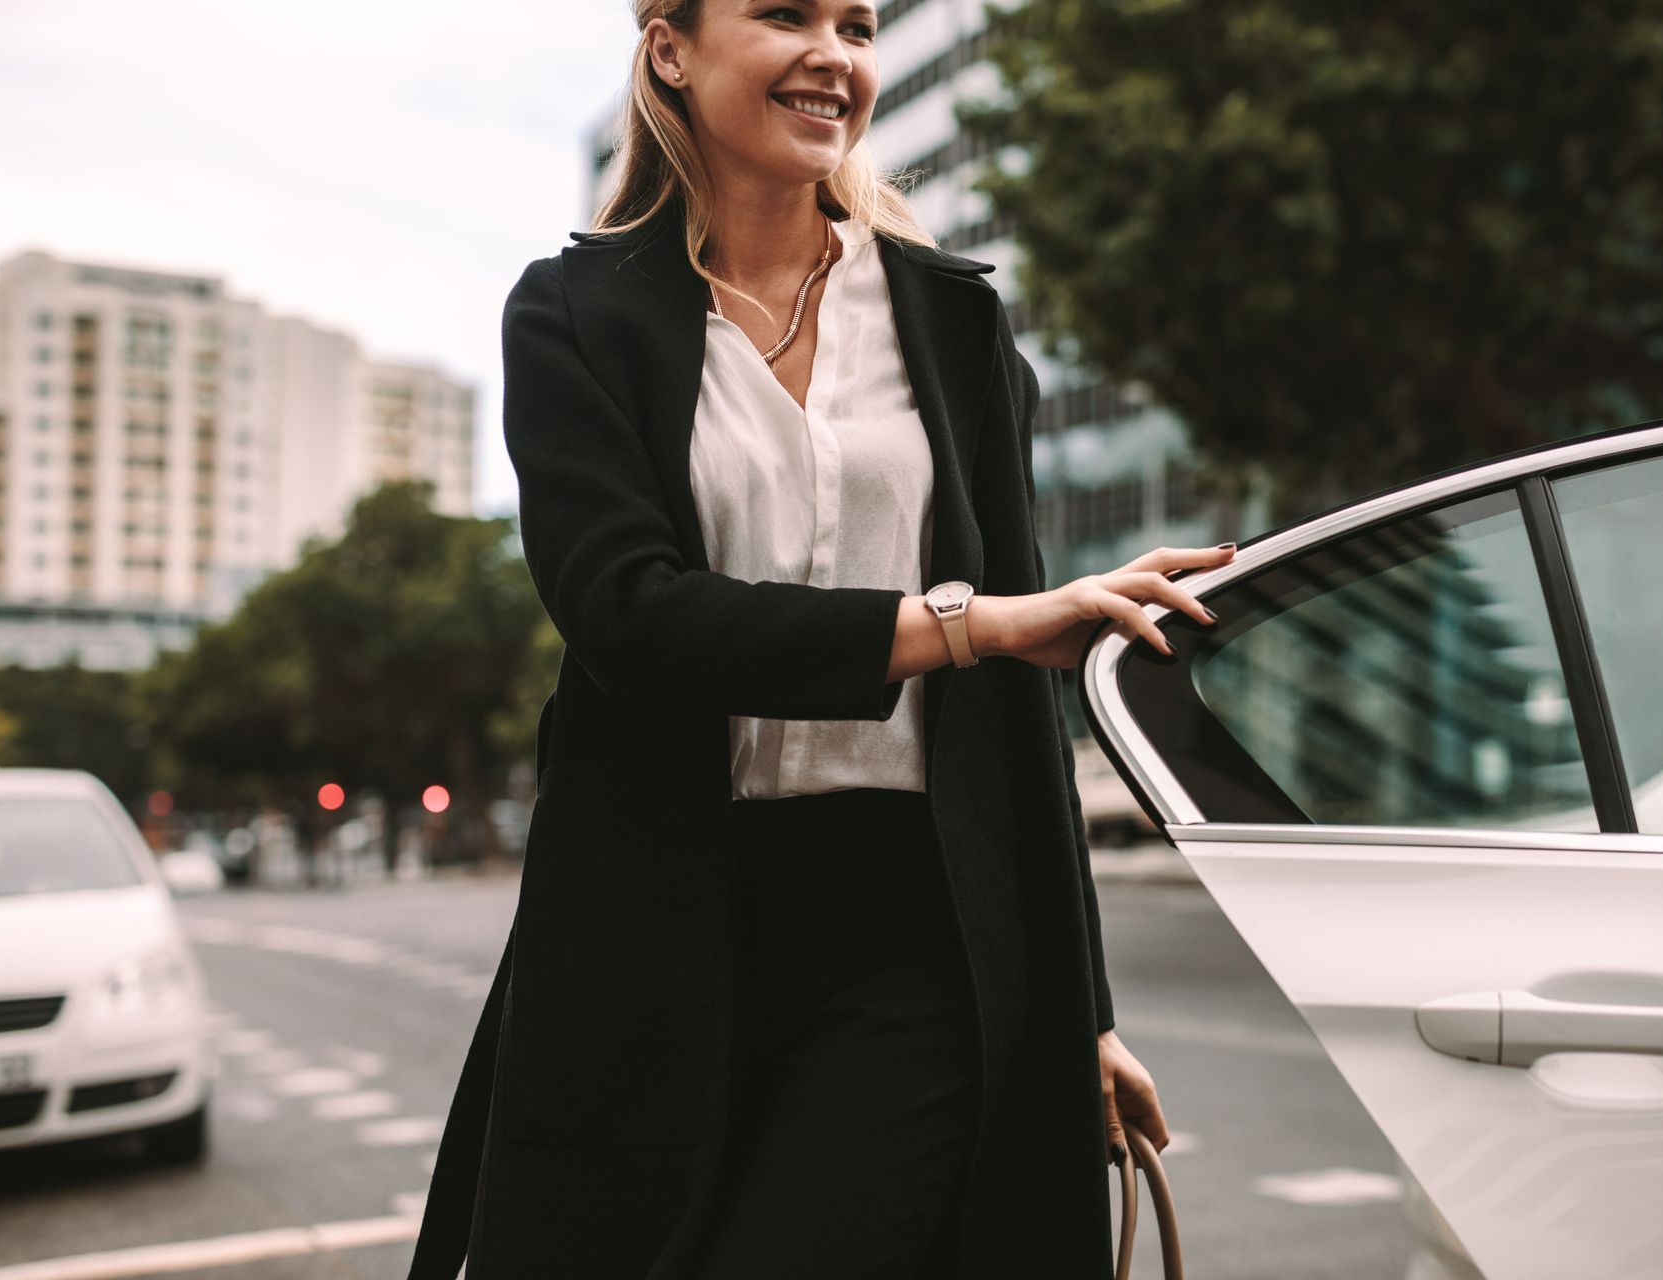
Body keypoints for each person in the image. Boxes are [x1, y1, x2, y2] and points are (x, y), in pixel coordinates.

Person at [406, 0, 1237, 1275]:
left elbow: (1015, 717)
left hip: (912, 927)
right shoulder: (574, 315)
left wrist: (1082, 1010)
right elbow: (631, 617)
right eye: (785, 15)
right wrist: (975, 624)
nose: (833, 56)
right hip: (651, 917)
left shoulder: (950, 320)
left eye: (854, 24)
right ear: (669, 47)